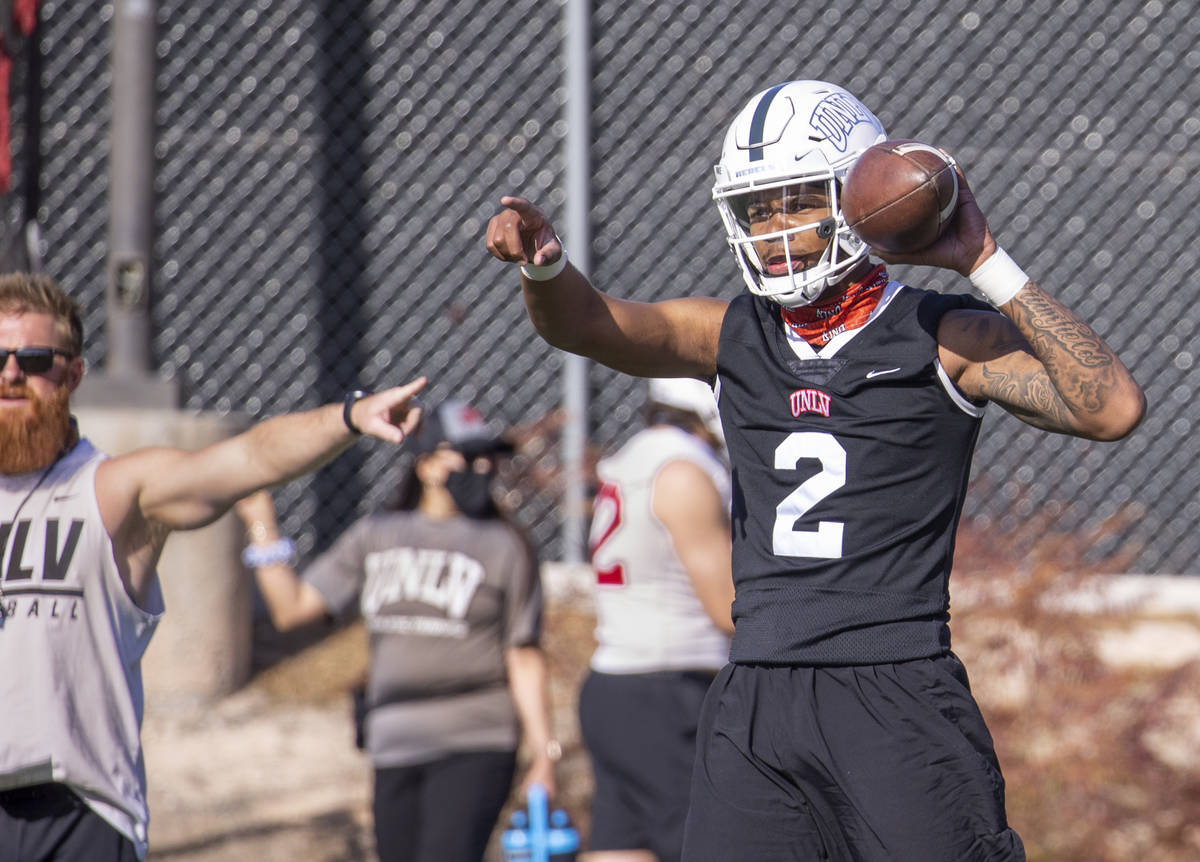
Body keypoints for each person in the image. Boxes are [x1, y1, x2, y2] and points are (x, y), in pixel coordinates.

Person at [485, 79, 1146, 862]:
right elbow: (593, 326)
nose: (777, 229)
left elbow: (1110, 409)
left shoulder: (943, 334)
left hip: (895, 690)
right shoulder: (730, 332)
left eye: (796, 201)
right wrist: (544, 268)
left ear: (857, 197)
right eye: (758, 209)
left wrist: (983, 260)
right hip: (757, 692)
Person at [0, 272, 426, 862]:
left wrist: (347, 418)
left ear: (73, 374)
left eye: (35, 358)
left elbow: (248, 459)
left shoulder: (114, 490)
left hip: (79, 809)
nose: (12, 373)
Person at [234, 397, 559, 862]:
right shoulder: (377, 534)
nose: (482, 468)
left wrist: (544, 753)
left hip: (476, 736)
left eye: (489, 457)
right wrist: (262, 526)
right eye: (466, 458)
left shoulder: (505, 545)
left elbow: (523, 654)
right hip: (394, 740)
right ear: (426, 466)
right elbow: (292, 609)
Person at [580, 376, 733, 862]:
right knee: (705, 845)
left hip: (613, 685)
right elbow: (729, 606)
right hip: (668, 689)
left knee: (620, 845)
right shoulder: (682, 470)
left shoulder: (632, 458)